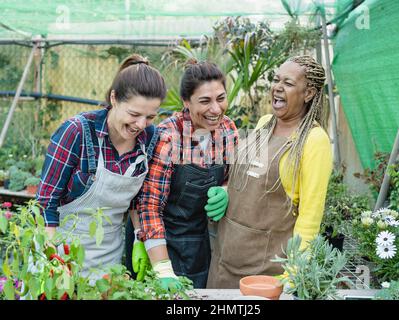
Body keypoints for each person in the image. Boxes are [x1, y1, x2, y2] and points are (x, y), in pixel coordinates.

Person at [206, 55, 333, 288]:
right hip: (225, 258)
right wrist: (226, 191)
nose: (278, 87)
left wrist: (295, 273)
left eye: (289, 83)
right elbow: (248, 179)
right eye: (276, 80)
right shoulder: (264, 123)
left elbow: (310, 217)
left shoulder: (314, 141)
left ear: (309, 93)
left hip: (265, 271)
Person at [36, 54, 166, 278]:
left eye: (150, 117)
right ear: (114, 98)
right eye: (134, 114)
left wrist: (139, 237)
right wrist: (52, 261)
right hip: (59, 252)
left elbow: (139, 201)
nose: (141, 125)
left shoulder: (150, 138)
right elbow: (46, 205)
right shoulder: (77, 132)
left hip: (108, 260)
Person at [127, 60, 239, 289]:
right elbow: (149, 205)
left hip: (196, 239)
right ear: (186, 102)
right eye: (205, 101)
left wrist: (227, 190)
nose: (216, 109)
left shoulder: (228, 130)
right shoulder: (168, 137)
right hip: (156, 238)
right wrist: (162, 268)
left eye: (221, 98)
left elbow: (231, 176)